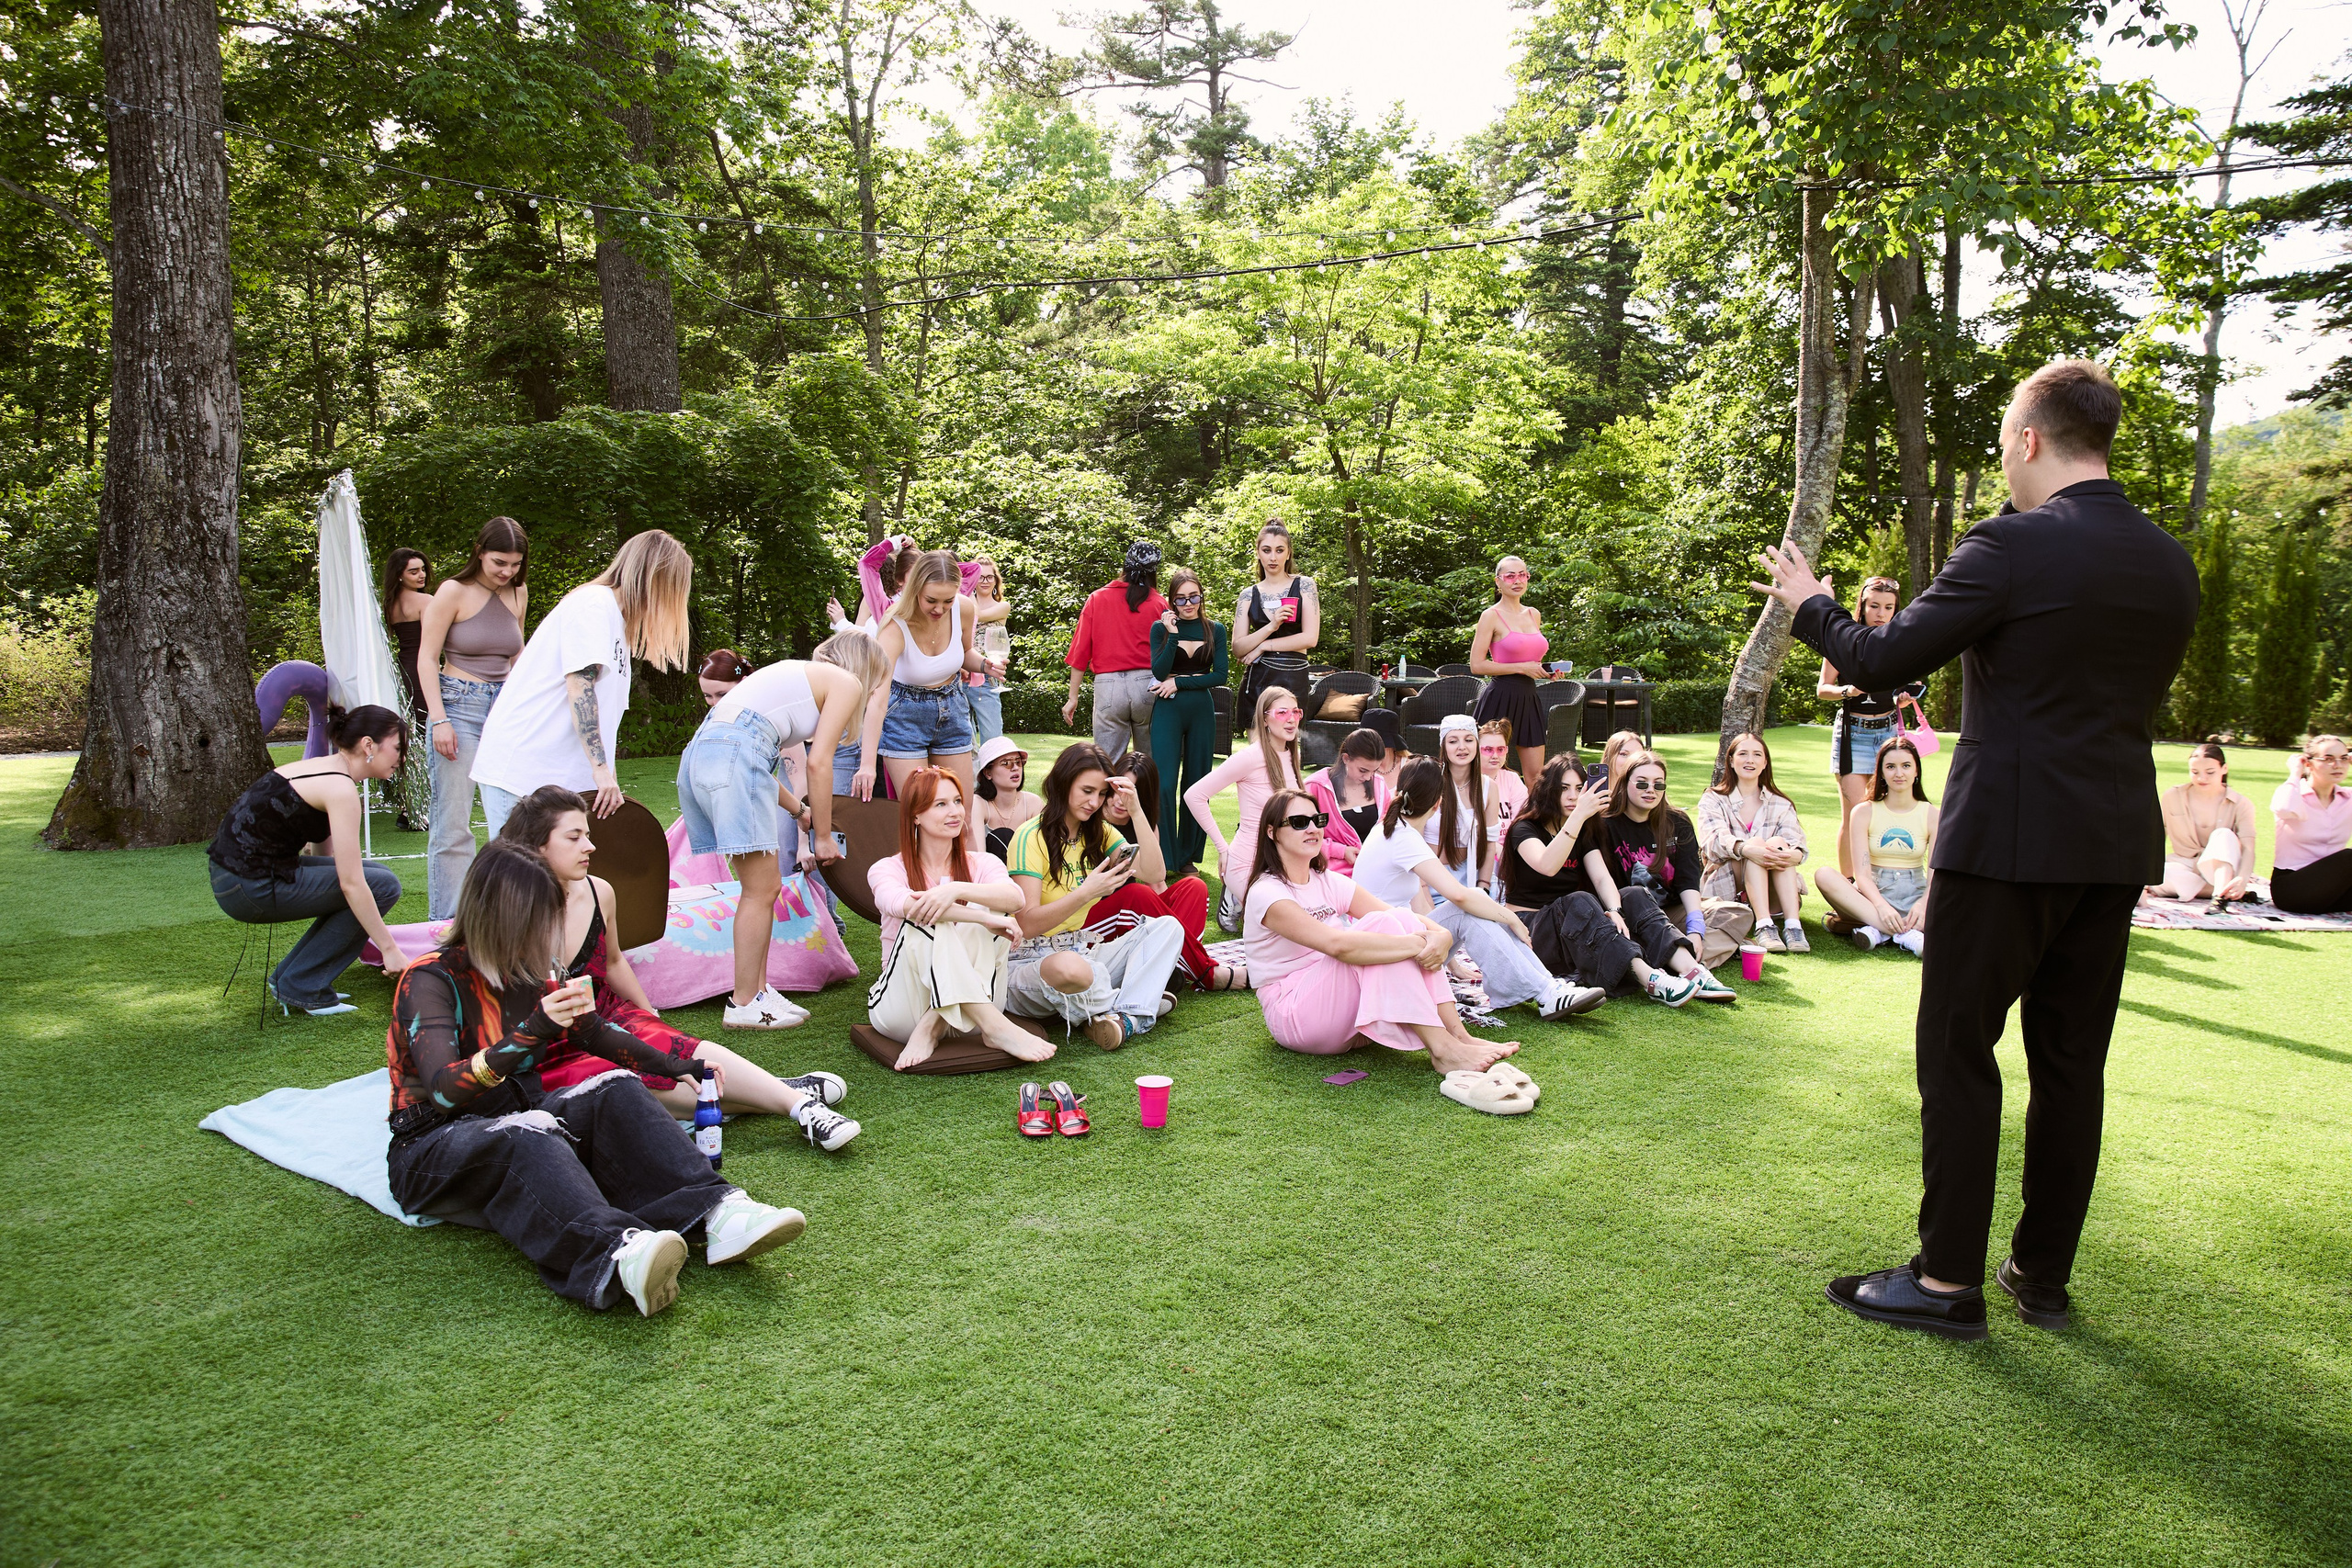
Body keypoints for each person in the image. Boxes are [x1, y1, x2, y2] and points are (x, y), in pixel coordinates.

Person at [1755, 355, 2199, 1338]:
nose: (2003, 459)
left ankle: (1947, 1279)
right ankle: (2041, 1275)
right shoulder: (2170, 562)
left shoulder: (2010, 545)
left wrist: (1808, 601)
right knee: (2071, 1063)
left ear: (2029, 439)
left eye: (2004, 442)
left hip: (2004, 843)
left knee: (1958, 1048)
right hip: (2114, 845)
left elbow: (1878, 660)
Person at [384, 841, 808, 1317]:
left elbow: (594, 1034)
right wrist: (531, 1032)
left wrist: (676, 1064)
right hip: (430, 1145)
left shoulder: (529, 968)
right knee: (530, 1132)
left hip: (517, 1111)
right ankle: (619, 1252)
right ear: (498, 918)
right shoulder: (430, 979)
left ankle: (717, 1212)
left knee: (616, 1085)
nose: (548, 932)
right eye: (538, 919)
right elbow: (444, 1091)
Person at [497, 785, 860, 1149]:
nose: (590, 846)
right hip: (548, 1042)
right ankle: (780, 1091)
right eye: (574, 837)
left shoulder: (599, 891)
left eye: (587, 835)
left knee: (680, 1050)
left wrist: (649, 1016)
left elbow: (614, 961)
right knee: (636, 1088)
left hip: (605, 1013)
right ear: (537, 846)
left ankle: (801, 1107)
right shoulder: (505, 911)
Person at [675, 630, 892, 1031]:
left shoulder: (796, 677)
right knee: (760, 890)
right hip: (731, 755)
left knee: (763, 888)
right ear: (866, 669)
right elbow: (818, 763)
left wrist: (800, 811)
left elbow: (749, 757)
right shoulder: (845, 681)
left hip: (704, 755)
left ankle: (757, 992)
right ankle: (744, 1002)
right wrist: (822, 836)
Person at [1245, 787, 1520, 1073]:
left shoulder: (1326, 880)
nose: (1313, 828)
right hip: (1296, 1015)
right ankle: (1442, 1049)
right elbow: (1338, 946)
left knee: (1399, 918)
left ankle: (1458, 1036)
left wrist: (1442, 935)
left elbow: (1397, 914)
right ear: (1272, 832)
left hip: (1342, 1007)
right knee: (1383, 926)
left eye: (1318, 820)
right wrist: (1419, 945)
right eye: (1300, 822)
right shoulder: (1268, 892)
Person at [472, 530, 694, 837]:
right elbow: (580, 686)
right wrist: (600, 771)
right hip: (524, 770)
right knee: (521, 866)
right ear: (656, 579)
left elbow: (606, 715)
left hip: (556, 780)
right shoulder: (595, 605)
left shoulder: (616, 622)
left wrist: (608, 778)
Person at [1351, 760, 1604, 1021]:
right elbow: (1459, 896)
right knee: (1470, 908)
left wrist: (1451, 962)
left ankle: (1547, 986)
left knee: (1478, 905)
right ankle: (1546, 993)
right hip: (1387, 954)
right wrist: (1510, 917)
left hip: (1393, 944)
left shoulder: (1394, 830)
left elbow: (1421, 910)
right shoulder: (1403, 837)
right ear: (1438, 803)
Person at [209, 704, 410, 1016]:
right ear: (369, 745)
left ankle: (296, 979)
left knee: (375, 876)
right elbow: (350, 884)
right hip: (248, 887)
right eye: (398, 748)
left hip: (239, 877)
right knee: (381, 885)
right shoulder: (340, 788)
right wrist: (389, 949)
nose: (402, 758)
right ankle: (301, 985)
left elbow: (325, 856)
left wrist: (331, 897)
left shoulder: (327, 769)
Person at [1004, 744, 1189, 1048]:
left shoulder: (1099, 832)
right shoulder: (1030, 837)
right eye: (1087, 791)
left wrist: (1136, 809)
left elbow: (1155, 872)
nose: (1094, 802)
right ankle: (1136, 1003)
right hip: (1029, 964)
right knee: (1070, 967)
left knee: (1168, 927)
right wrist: (1085, 893)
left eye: (1102, 794)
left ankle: (1124, 1016)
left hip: (1082, 953)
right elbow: (1026, 925)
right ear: (1064, 784)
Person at [865, 768, 1054, 1066]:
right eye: (940, 804)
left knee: (990, 905)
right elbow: (908, 907)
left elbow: (1016, 898)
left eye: (956, 801)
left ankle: (935, 1024)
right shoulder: (886, 869)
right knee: (927, 920)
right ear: (916, 815)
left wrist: (955, 889)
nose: (954, 811)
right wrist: (981, 919)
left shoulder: (983, 863)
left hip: (972, 1013)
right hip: (905, 1011)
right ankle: (994, 1027)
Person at [1503, 752, 1718, 1008]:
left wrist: (1615, 910)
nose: (1573, 796)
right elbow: (1547, 866)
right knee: (1579, 900)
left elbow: (1602, 878)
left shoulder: (1583, 831)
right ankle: (1651, 979)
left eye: (1579, 789)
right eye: (1564, 788)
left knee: (1633, 893)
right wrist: (1578, 816)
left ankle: (1692, 970)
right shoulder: (1525, 829)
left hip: (1570, 927)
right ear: (1547, 791)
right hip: (1531, 929)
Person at [416, 517, 528, 919]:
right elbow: (427, 658)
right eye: (499, 562)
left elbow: (517, 657)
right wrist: (439, 720)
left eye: (515, 564)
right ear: (479, 552)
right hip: (458, 706)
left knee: (515, 820)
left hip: (505, 711)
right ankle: (446, 924)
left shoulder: (518, 591)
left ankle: (503, 918)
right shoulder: (452, 591)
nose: (507, 571)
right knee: (453, 824)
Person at [1578, 750, 1742, 997]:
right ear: (1624, 783)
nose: (1650, 790)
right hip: (1628, 913)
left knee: (1736, 914)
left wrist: (1695, 928)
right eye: (1641, 783)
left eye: (1658, 784)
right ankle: (1686, 964)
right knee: (1634, 898)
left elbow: (1688, 880)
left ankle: (1666, 958)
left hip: (1670, 911)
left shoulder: (1678, 822)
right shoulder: (1604, 824)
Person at [1091, 750, 1243, 990]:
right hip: (1098, 919)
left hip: (1129, 919)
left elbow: (1158, 882)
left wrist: (1137, 813)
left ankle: (1170, 969)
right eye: (1118, 789)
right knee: (1136, 894)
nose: (1121, 800)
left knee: (1193, 887)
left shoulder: (1144, 825)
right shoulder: (1092, 820)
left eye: (1131, 793)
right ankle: (1206, 972)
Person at [1819, 576, 1928, 877]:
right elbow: (1823, 689)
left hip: (1888, 733)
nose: (1881, 613)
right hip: (1852, 733)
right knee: (1855, 814)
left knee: (1885, 811)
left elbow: (1901, 693)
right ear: (1863, 606)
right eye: (1874, 606)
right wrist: (1848, 690)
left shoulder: (1899, 643)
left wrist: (1904, 698)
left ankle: (1881, 882)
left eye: (1888, 607)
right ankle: (1849, 887)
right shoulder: (1844, 640)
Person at [1185, 686, 1309, 931]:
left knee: (1312, 916)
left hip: (1282, 861)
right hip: (1248, 862)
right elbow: (1194, 795)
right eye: (1282, 712)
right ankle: (1236, 893)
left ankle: (1243, 900)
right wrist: (1222, 848)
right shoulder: (1251, 757)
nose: (1291, 719)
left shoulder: (1291, 755)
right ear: (1265, 719)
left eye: (1296, 712)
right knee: (1289, 928)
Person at [875, 550, 990, 811]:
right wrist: (867, 764)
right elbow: (877, 698)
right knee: (920, 812)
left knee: (960, 812)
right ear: (915, 589)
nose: (940, 609)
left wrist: (985, 665)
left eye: (948, 600)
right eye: (931, 600)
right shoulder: (895, 625)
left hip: (952, 709)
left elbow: (965, 653)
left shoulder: (964, 608)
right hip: (905, 717)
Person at [1813, 737, 1937, 954]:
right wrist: (1881, 906)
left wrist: (1923, 905)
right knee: (1824, 874)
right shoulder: (1863, 812)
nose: (1899, 773)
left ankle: (1878, 931)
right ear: (1881, 772)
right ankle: (1904, 933)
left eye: (1906, 766)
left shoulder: (1932, 814)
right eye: (1890, 767)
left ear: (1916, 770)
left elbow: (1935, 878)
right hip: (1872, 897)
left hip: (1914, 895)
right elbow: (1862, 875)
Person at [1697, 731, 1811, 953]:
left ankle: (1793, 926)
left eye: (1757, 754)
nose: (1750, 760)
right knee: (1757, 843)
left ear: (1765, 762)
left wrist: (1792, 854)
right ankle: (1764, 926)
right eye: (1743, 754)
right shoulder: (1713, 799)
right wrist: (1748, 849)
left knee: (1778, 842)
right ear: (1731, 761)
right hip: (1728, 889)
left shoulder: (1780, 803)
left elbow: (1796, 843)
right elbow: (1712, 842)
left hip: (1774, 889)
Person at [1148, 566, 1229, 877]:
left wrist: (1179, 682)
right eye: (1181, 599)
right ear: (1172, 601)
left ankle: (1186, 857)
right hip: (1167, 710)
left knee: (1197, 784)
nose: (1188, 604)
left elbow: (1219, 676)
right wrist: (1172, 635)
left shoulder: (1215, 630)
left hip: (1200, 711)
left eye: (1194, 597)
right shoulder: (1160, 629)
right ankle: (1165, 857)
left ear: (1201, 597)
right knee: (1164, 783)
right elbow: (1159, 672)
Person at [1064, 541, 1169, 761]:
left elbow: (1080, 653)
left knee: (1107, 762)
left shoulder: (1097, 598)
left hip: (1108, 686)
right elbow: (1170, 652)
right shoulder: (1159, 603)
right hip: (1148, 685)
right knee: (1148, 764)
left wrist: (1073, 697)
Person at [1467, 557, 1550, 792]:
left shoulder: (1534, 614)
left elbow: (1530, 658)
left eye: (1522, 575)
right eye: (1510, 576)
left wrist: (1545, 671)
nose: (1517, 580)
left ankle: (1533, 817)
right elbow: (1477, 665)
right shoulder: (1491, 615)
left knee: (1536, 778)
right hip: (1500, 697)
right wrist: (1522, 667)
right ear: (1498, 581)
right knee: (1485, 773)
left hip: (1529, 699)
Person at [2146, 742, 2257, 913]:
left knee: (2223, 835)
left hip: (2223, 868)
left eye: (2210, 772)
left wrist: (2242, 878)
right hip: (2183, 864)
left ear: (2224, 769)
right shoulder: (2172, 796)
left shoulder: (2241, 803)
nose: (2201, 778)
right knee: (2160, 876)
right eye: (2195, 772)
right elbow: (2157, 836)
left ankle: (2219, 898)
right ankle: (2224, 891)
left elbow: (2249, 847)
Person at [1231, 520, 1319, 719]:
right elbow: (1238, 648)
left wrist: (1263, 647)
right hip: (1256, 681)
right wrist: (1271, 626)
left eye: (1279, 550)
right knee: (1256, 739)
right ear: (1258, 552)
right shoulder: (1247, 595)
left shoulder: (1305, 585)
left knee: (1287, 738)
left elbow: (1310, 638)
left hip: (1293, 679)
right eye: (1266, 550)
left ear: (1288, 553)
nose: (1273, 557)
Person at [2269, 734, 2352, 914]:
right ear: (2308, 763)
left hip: (2333, 889)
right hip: (2292, 889)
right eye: (2328, 759)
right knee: (2350, 857)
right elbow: (2282, 808)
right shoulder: (2293, 794)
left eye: (2343, 758)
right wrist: (2295, 772)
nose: (2337, 765)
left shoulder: (2348, 798)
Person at [1306, 728, 1391, 874]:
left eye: (1374, 771)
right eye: (1363, 770)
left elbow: (1392, 827)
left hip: (1376, 870)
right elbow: (1298, 834)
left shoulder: (1379, 784)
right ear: (1345, 758)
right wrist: (1340, 851)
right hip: (1332, 873)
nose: (1368, 777)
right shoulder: (1316, 787)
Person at [1427, 715, 1498, 889]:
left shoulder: (1489, 787)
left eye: (1468, 740)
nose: (1462, 747)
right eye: (1453, 741)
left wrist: (1483, 886)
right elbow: (1412, 840)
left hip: (1473, 875)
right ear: (1443, 746)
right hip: (1431, 878)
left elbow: (1490, 843)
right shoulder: (1429, 783)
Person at [1476, 719, 1530, 890]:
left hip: (1512, 853)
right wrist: (1495, 848)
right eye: (1488, 749)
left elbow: (1522, 823)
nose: (1495, 755)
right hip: (1478, 854)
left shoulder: (1512, 780)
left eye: (1500, 749)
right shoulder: (1468, 782)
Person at [381, 547, 434, 718]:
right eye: (414, 572)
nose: (422, 575)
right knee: (429, 720)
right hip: (423, 667)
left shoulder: (389, 604)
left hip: (402, 667)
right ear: (399, 575)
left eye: (423, 569)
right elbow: (432, 642)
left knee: (412, 719)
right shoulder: (425, 601)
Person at [966, 556, 1012, 746]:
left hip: (987, 676)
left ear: (996, 580)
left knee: (992, 736)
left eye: (989, 577)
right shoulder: (963, 603)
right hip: (961, 674)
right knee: (964, 739)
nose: (985, 581)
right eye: (980, 577)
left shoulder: (1002, 606)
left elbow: (978, 616)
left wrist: (966, 593)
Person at [973, 736, 1043, 859]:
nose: (1015, 768)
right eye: (1006, 763)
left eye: (1018, 762)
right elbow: (978, 858)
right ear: (988, 773)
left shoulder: (1033, 803)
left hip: (1027, 868)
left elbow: (1043, 852)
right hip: (988, 869)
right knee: (1002, 835)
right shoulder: (978, 804)